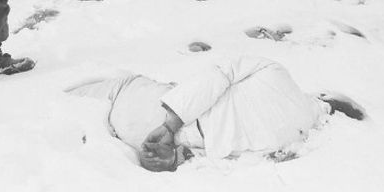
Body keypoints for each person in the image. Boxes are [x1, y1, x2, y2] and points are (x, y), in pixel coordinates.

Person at [67, 56, 366, 172]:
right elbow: (233, 159)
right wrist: (175, 159)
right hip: (152, 138)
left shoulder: (276, 73)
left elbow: (218, 75)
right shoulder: (289, 142)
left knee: (59, 100)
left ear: (324, 95)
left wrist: (171, 123)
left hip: (154, 105)